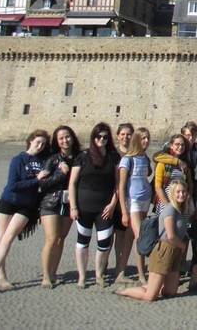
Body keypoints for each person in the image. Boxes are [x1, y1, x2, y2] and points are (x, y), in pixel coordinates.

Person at [0, 129, 50, 295]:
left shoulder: (43, 161)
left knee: (8, 238)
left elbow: (47, 178)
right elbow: (13, 185)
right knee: (1, 239)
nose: (40, 146)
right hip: (8, 201)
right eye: (38, 142)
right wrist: (36, 180)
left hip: (26, 205)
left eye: (43, 144)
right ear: (30, 141)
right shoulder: (17, 159)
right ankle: (0, 277)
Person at [119, 178, 190, 301]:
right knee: (150, 296)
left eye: (183, 192)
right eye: (178, 192)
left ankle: (151, 287)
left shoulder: (181, 210)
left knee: (170, 291)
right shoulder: (170, 209)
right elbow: (170, 236)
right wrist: (183, 246)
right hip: (164, 249)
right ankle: (124, 290)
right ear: (172, 193)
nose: (181, 194)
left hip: (175, 250)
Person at [69, 122, 120, 288]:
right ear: (93, 137)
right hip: (84, 206)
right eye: (98, 136)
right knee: (82, 241)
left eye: (105, 137)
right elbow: (72, 183)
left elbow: (118, 184)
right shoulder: (83, 156)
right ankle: (82, 276)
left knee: (104, 243)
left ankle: (99, 274)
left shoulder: (113, 157)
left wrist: (113, 203)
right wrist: (73, 206)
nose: (101, 139)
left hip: (105, 208)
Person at [38, 125, 80, 288]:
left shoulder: (79, 157)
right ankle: (46, 276)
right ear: (57, 141)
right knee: (51, 238)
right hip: (51, 202)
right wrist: (60, 173)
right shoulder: (52, 159)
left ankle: (54, 272)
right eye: (61, 138)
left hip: (69, 203)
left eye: (67, 136)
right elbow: (43, 183)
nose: (65, 140)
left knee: (61, 239)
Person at [117, 127, 152, 285]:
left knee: (130, 236)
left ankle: (120, 272)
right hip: (133, 201)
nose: (146, 141)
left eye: (147, 138)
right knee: (140, 238)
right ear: (137, 139)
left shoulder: (145, 157)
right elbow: (121, 186)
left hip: (145, 199)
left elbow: (147, 174)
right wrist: (124, 212)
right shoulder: (127, 159)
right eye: (143, 138)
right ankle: (141, 276)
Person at [111, 122, 134, 284]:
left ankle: (119, 268)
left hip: (125, 200)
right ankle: (103, 267)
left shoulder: (135, 154)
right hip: (111, 199)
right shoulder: (112, 154)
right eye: (123, 134)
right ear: (118, 136)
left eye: (128, 134)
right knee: (107, 235)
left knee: (121, 235)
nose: (125, 137)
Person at [152, 134, 193, 215]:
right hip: (166, 199)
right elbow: (158, 187)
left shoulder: (185, 164)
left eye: (182, 145)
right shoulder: (162, 163)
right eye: (177, 144)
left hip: (182, 200)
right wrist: (168, 206)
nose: (180, 147)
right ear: (171, 145)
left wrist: (188, 198)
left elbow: (190, 185)